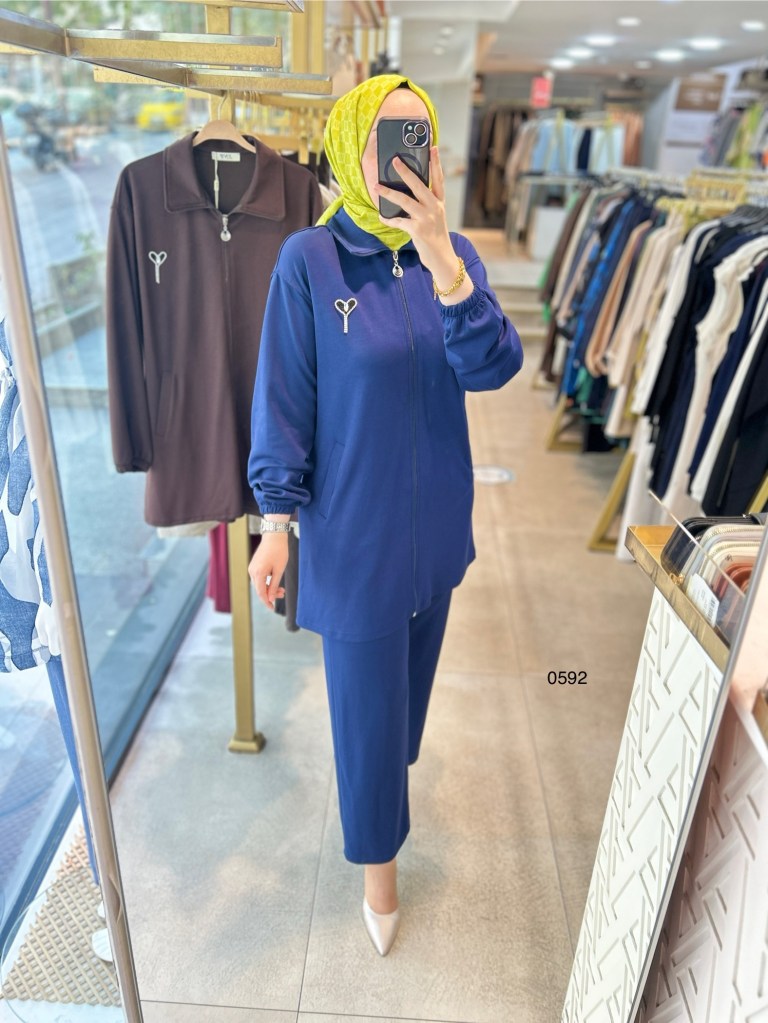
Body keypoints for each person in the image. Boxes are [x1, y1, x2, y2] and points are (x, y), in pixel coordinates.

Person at [247, 74, 523, 956]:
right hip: (354, 537)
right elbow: (283, 399)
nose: (410, 158)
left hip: (437, 528)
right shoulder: (310, 260)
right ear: (349, 149)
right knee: (369, 724)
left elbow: (493, 368)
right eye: (389, 140)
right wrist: (275, 522)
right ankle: (379, 870)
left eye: (421, 139)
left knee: (404, 713)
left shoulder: (456, 255)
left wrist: (443, 259)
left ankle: (389, 783)